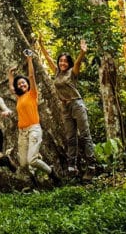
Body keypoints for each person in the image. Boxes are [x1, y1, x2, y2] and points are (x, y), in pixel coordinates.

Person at [38, 37, 96, 180]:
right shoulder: (57, 72)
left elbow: (78, 62)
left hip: (76, 104)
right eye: (61, 61)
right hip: (65, 108)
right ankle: (72, 168)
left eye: (65, 61)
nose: (62, 63)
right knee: (71, 138)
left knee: (84, 135)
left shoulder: (72, 72)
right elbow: (49, 60)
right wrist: (41, 45)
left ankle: (91, 166)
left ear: (68, 63)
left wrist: (82, 53)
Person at [7, 50, 61, 186]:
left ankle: (52, 173)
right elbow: (11, 87)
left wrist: (29, 60)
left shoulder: (32, 94)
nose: (21, 85)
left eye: (23, 83)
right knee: (24, 163)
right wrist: (10, 74)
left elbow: (31, 76)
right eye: (19, 84)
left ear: (27, 84)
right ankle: (35, 180)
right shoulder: (19, 97)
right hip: (22, 132)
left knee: (31, 160)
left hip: (34, 129)